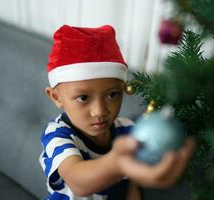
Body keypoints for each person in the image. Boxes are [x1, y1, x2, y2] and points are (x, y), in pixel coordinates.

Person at [39, 24, 196, 200]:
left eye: (112, 94)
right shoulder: (58, 135)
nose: (99, 111)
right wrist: (118, 164)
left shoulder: (129, 131)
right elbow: (78, 182)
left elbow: (130, 187)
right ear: (56, 97)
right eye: (83, 98)